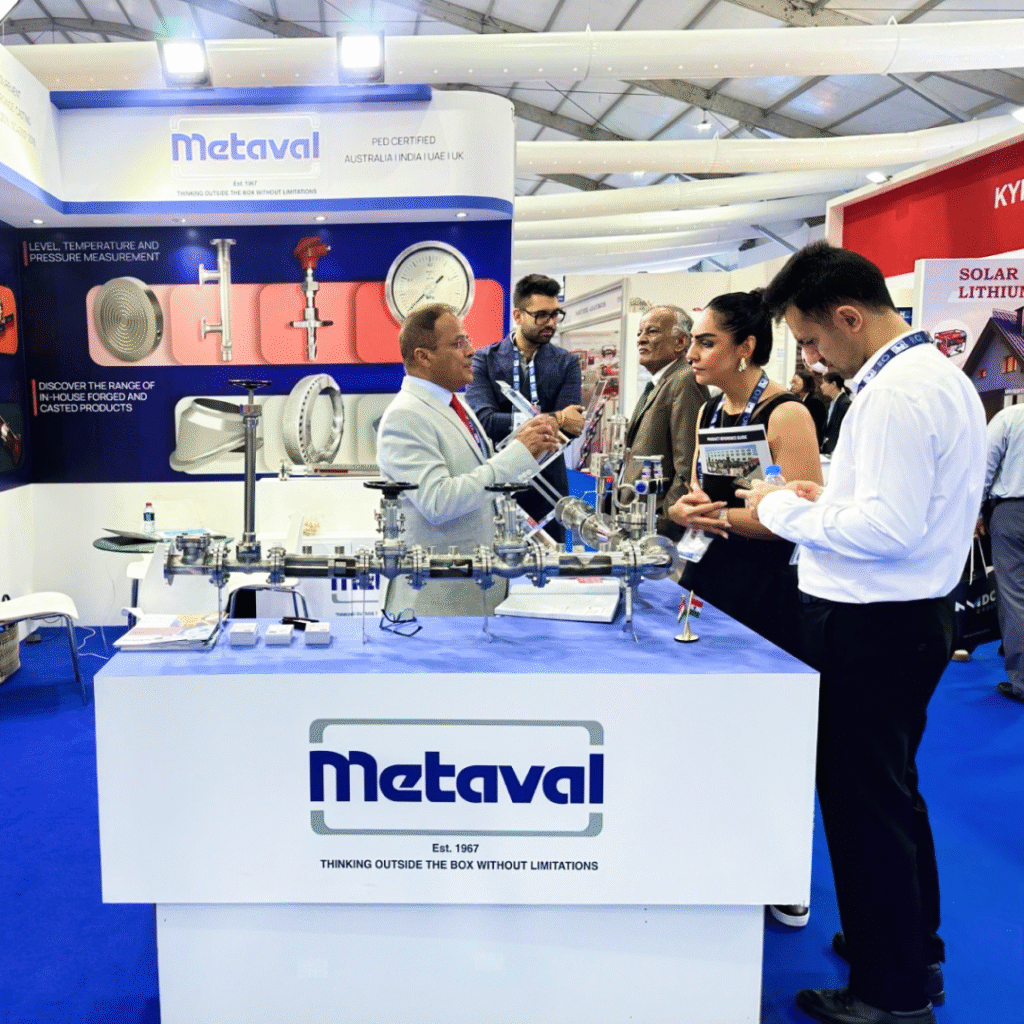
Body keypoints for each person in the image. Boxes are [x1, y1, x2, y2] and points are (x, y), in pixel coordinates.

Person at [739, 241, 987, 1024]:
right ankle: (910, 949)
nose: (812, 358)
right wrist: (829, 498)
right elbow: (896, 507)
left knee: (862, 806)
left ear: (848, 317)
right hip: (902, 618)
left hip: (871, 624)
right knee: (891, 793)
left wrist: (781, 507)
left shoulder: (897, 395)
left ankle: (890, 993)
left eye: (811, 340)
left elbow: (886, 529)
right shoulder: (930, 378)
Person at [376, 302, 559, 617]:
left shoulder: (453, 404)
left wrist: (521, 444)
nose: (471, 351)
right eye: (458, 343)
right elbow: (439, 501)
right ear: (423, 356)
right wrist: (518, 454)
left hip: (472, 590)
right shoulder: (405, 416)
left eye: (468, 340)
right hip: (436, 602)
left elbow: (476, 475)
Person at [667, 289, 820, 659]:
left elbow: (799, 518)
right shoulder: (709, 411)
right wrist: (681, 511)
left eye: (706, 343)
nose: (691, 355)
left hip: (764, 586)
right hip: (705, 573)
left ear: (745, 347)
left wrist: (715, 515)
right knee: (691, 668)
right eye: (692, 342)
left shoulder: (787, 414)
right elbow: (696, 492)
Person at [465, 274, 584, 542]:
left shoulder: (567, 363)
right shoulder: (484, 360)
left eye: (555, 314)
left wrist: (559, 421)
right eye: (541, 315)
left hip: (549, 490)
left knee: (550, 563)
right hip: (498, 481)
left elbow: (572, 427)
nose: (551, 323)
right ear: (518, 316)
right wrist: (557, 418)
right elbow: (483, 422)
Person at [624, 305, 709, 540]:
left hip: (659, 526)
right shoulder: (662, 381)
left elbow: (688, 462)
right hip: (641, 517)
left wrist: (667, 519)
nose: (641, 339)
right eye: (639, 333)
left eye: (651, 332)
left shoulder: (685, 380)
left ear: (681, 342)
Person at [982, 401, 1024, 704]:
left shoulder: (1011, 416)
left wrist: (975, 511)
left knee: (1015, 596)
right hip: (1012, 512)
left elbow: (984, 465)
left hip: (1013, 512)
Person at [790, 368, 828, 447]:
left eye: (795, 382)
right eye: (792, 382)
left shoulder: (815, 401)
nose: (792, 385)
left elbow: (817, 428)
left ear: (805, 382)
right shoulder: (800, 399)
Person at [819, 371, 851, 456]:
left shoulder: (845, 404)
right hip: (828, 451)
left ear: (833, 384)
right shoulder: (831, 404)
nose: (821, 386)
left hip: (838, 452)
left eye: (823, 383)